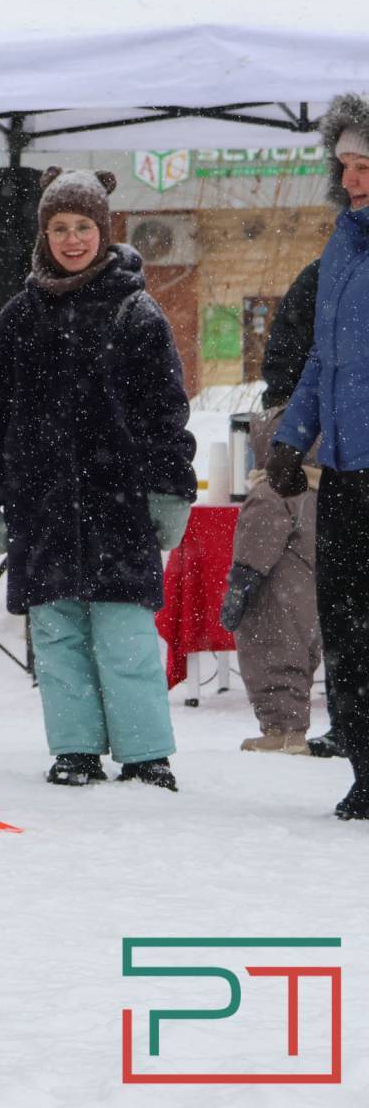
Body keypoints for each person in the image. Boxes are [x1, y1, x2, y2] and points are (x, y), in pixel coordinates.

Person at [0, 167, 197, 791]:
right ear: (44, 234)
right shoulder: (18, 316)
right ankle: (75, 749)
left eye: (83, 227)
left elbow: (165, 410)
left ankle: (146, 753)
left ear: (103, 230)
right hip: (42, 505)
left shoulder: (136, 311)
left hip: (120, 501)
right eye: (59, 227)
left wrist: (171, 484)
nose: (71, 239)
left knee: (124, 633)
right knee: (58, 636)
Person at [261, 94, 369, 818]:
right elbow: (323, 366)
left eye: (365, 166)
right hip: (351, 476)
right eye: (345, 166)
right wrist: (290, 438)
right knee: (350, 623)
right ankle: (365, 763)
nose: (352, 178)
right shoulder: (340, 249)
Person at [220, 258, 325, 755]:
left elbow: (266, 513)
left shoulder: (288, 444)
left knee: (273, 627)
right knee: (316, 629)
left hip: (285, 570)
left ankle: (283, 728)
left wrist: (243, 573)